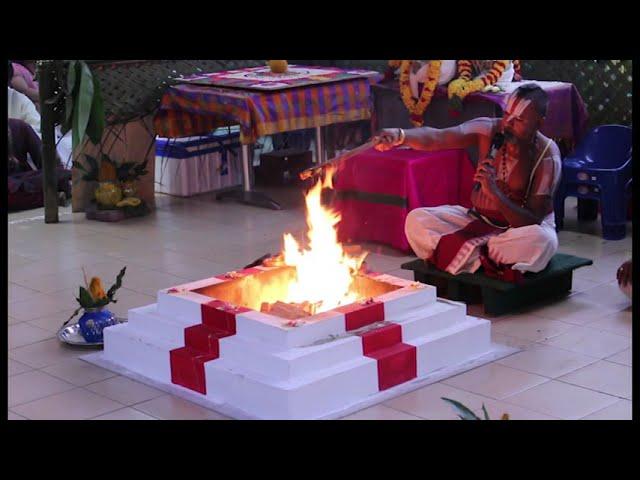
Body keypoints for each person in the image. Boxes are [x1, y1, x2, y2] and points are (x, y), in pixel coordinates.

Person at [374, 83, 561, 280]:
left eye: (519, 120)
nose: (508, 124)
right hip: (477, 220)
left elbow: (532, 220)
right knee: (416, 220)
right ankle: (486, 257)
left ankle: (469, 254)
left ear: (539, 124)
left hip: (517, 231)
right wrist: (400, 136)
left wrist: (495, 195)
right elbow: (438, 137)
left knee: (543, 242)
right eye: (507, 115)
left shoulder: (547, 156)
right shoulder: (488, 129)